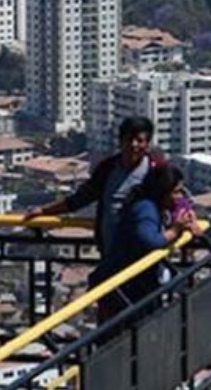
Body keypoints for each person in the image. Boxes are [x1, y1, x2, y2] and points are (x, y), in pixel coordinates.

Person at [24, 117, 165, 254]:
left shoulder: (156, 170)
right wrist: (45, 211)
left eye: (140, 141)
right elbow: (81, 198)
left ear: (147, 144)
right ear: (120, 141)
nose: (134, 145)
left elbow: (175, 197)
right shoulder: (108, 169)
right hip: (111, 250)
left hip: (145, 253)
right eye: (129, 139)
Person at [90, 166, 201, 319]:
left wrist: (189, 219)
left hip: (139, 284)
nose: (179, 196)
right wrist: (175, 230)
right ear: (163, 192)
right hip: (123, 285)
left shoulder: (159, 206)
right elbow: (151, 241)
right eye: (175, 192)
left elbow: (182, 206)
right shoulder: (145, 209)